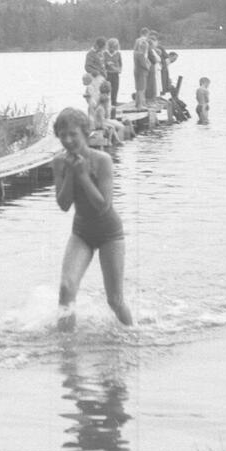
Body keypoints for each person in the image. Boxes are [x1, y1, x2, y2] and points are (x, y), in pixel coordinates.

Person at [51, 106, 133, 328]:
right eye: (62, 135)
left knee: (114, 300)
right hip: (81, 233)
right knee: (66, 288)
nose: (67, 140)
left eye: (73, 134)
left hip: (110, 233)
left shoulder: (103, 160)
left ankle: (133, 336)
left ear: (85, 134)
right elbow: (64, 204)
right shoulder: (59, 162)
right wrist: (70, 174)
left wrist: (83, 176)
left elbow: (103, 206)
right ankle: (66, 351)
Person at [132, 28, 150, 109]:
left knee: (139, 87)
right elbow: (143, 63)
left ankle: (139, 103)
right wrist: (148, 67)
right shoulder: (140, 53)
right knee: (141, 88)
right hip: (141, 71)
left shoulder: (135, 52)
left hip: (137, 70)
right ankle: (140, 105)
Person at [104, 38, 122, 108]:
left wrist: (120, 69)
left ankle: (114, 102)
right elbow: (103, 62)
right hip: (108, 73)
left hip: (115, 73)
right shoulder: (105, 53)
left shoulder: (118, 53)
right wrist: (107, 63)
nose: (113, 48)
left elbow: (120, 63)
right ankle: (106, 103)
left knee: (115, 88)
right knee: (107, 89)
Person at [144, 32, 159, 101]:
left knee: (151, 83)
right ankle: (150, 97)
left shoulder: (149, 50)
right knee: (151, 83)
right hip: (151, 68)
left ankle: (151, 96)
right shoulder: (149, 50)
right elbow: (154, 60)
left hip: (151, 68)